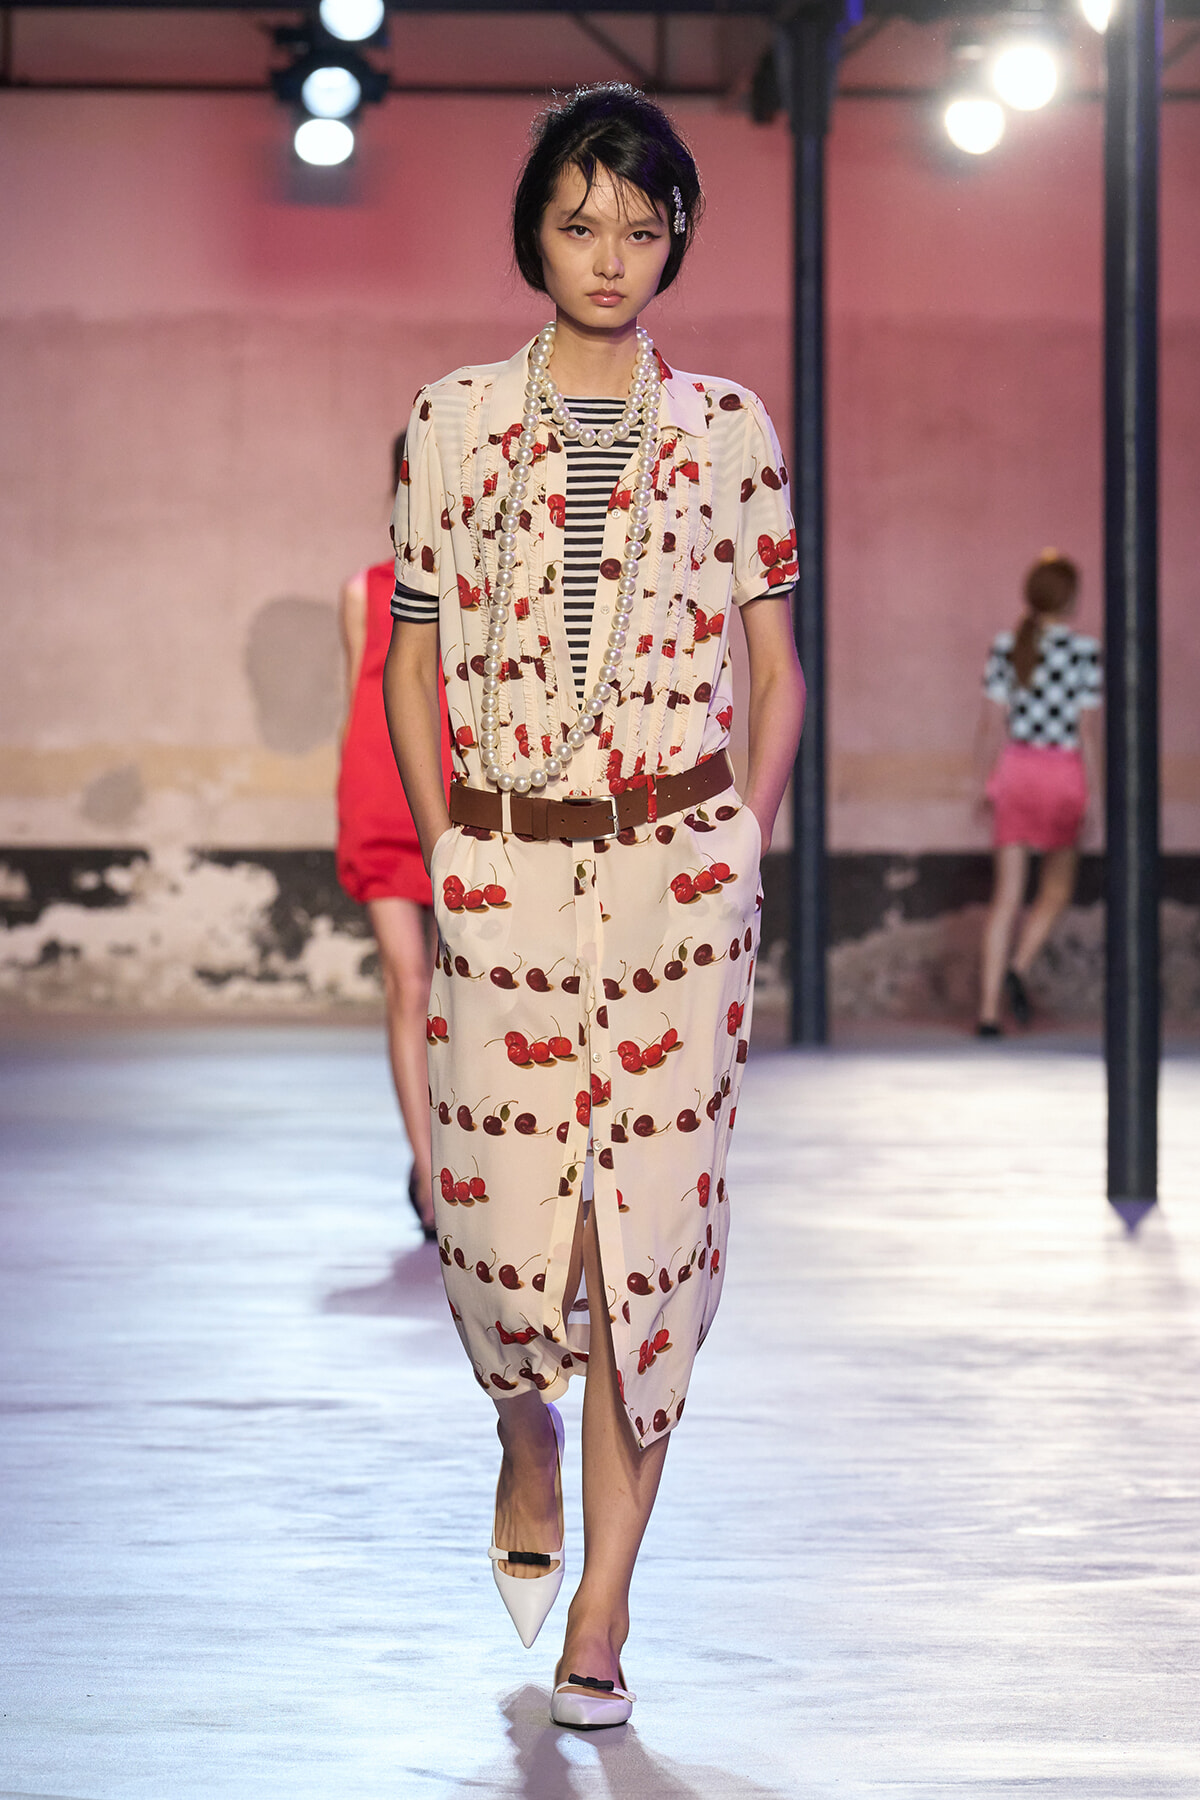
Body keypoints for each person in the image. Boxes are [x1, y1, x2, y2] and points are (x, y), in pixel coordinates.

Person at [383, 84, 806, 1728]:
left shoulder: (731, 431)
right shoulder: (453, 419)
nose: (612, 254)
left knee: (653, 1250)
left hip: (673, 882)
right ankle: (521, 1427)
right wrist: (447, 848)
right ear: (533, 230)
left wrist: (744, 841)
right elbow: (411, 659)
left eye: (641, 225)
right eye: (581, 221)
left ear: (677, 235)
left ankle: (605, 1618)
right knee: (505, 1247)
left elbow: (778, 670)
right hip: (504, 867)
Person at [336, 433, 452, 1240]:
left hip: (471, 798)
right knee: (408, 983)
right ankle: (430, 1172)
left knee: (470, 986)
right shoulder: (362, 591)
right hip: (382, 800)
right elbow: (361, 702)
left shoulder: (492, 591)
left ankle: (471, 1155)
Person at [974, 551, 1102, 1036]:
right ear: (1069, 599)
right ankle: (1019, 967)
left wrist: (985, 781)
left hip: (1017, 770)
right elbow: (1087, 733)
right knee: (1056, 888)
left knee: (1005, 897)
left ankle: (987, 1013)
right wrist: (1095, 796)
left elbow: (990, 725)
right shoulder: (1085, 652)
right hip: (1063, 774)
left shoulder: (1007, 646)